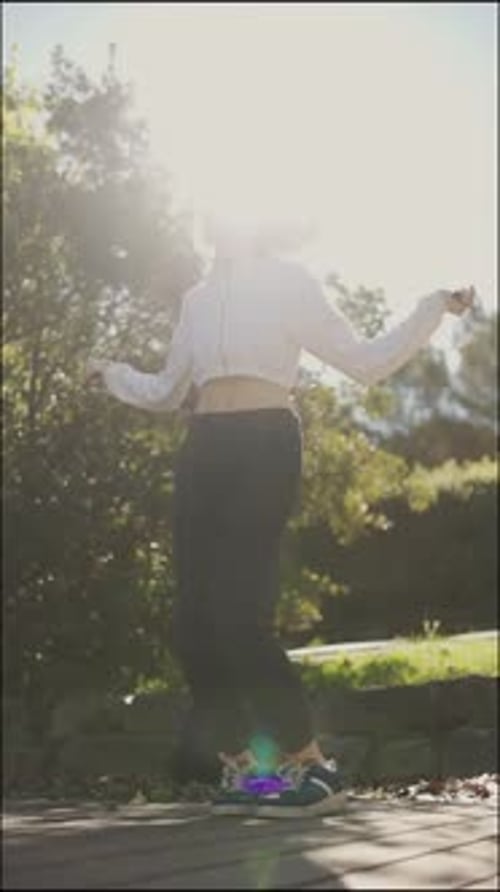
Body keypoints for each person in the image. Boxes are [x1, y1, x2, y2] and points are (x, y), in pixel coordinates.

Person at [85, 215, 474, 817]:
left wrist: (431, 307)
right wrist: (110, 373)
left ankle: (314, 768)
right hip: (204, 450)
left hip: (264, 445)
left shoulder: (289, 282)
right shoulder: (198, 300)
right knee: (194, 622)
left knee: (239, 615)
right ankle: (249, 775)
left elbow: (364, 362)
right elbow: (166, 391)